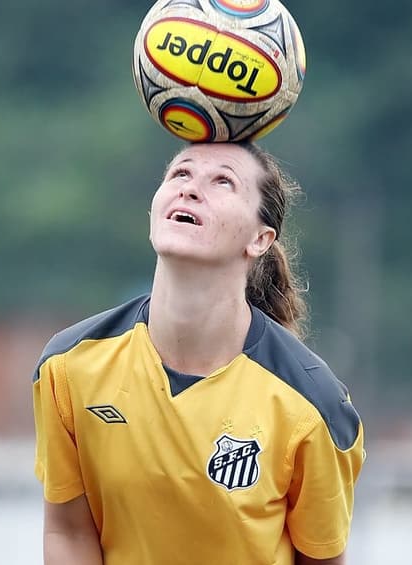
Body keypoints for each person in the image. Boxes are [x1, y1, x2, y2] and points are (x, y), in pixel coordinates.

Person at [31, 141, 365, 565]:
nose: (189, 189)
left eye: (223, 181)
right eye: (180, 173)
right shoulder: (69, 366)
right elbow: (69, 530)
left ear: (260, 239)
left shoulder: (314, 405)